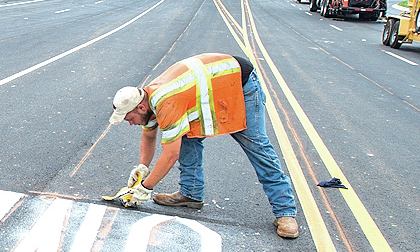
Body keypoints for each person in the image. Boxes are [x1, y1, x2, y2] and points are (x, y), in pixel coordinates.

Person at [108, 52, 300, 239]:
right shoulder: (146, 100)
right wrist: (142, 168)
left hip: (238, 85)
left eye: (128, 118)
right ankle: (190, 194)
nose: (130, 123)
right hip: (211, 89)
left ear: (140, 108)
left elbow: (170, 154)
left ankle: (285, 212)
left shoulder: (166, 102)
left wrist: (145, 188)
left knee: (257, 148)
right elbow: (148, 137)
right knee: (187, 135)